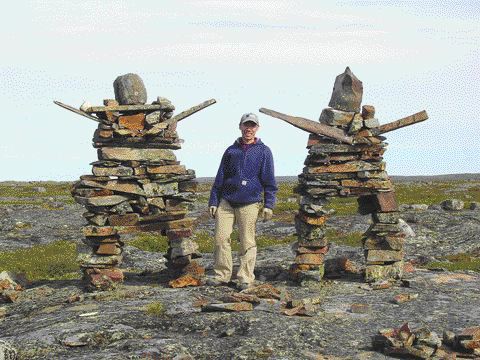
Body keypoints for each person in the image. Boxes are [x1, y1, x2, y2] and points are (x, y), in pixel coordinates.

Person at [207, 112, 277, 290]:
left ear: (257, 128)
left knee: (247, 240)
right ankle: (222, 275)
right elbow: (220, 178)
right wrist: (213, 201)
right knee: (220, 239)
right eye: (246, 125)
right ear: (240, 127)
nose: (249, 129)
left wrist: (269, 205)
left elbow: (269, 181)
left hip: (250, 202)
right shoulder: (231, 151)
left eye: (252, 125)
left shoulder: (264, 151)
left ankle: (245, 277)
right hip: (226, 201)